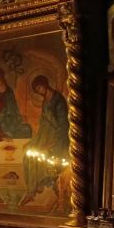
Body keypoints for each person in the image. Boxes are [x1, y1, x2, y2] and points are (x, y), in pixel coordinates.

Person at [21, 75, 69, 205]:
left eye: (39, 88)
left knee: (45, 155)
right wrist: (35, 140)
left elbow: (63, 124)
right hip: (45, 134)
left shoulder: (58, 100)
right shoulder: (45, 102)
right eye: (37, 90)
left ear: (45, 84)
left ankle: (44, 185)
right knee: (28, 151)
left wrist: (52, 143)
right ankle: (32, 189)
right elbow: (43, 123)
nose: (39, 91)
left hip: (58, 136)